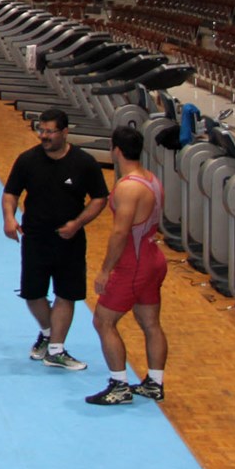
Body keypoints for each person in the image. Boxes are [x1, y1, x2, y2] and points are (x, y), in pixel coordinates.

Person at [3, 108, 109, 371]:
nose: (44, 136)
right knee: (32, 294)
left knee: (66, 294)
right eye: (41, 130)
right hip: (35, 237)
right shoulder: (27, 160)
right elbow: (11, 193)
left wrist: (77, 223)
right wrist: (9, 218)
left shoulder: (84, 162)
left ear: (65, 132)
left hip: (70, 240)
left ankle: (56, 350)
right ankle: (49, 333)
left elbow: (100, 198)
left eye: (50, 131)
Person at [86, 126, 169, 405]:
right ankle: (154, 383)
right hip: (153, 257)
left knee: (103, 321)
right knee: (150, 322)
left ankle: (119, 386)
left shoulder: (128, 187)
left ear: (116, 150)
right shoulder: (152, 179)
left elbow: (121, 232)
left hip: (134, 264)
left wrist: (105, 270)